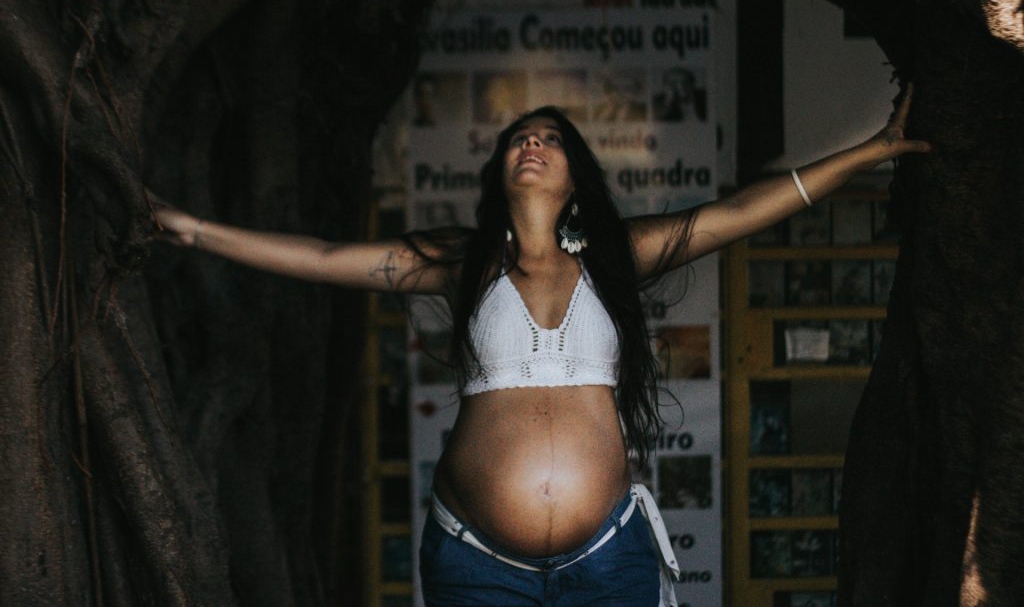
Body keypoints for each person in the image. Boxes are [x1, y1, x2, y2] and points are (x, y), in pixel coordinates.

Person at [149, 88, 930, 606]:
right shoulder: (462, 262)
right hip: (478, 563)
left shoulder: (615, 258)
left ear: (574, 174)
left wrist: (870, 152)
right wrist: (194, 230)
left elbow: (739, 213)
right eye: (519, 137)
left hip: (609, 558)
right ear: (499, 172)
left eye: (550, 138)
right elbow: (325, 258)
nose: (531, 142)